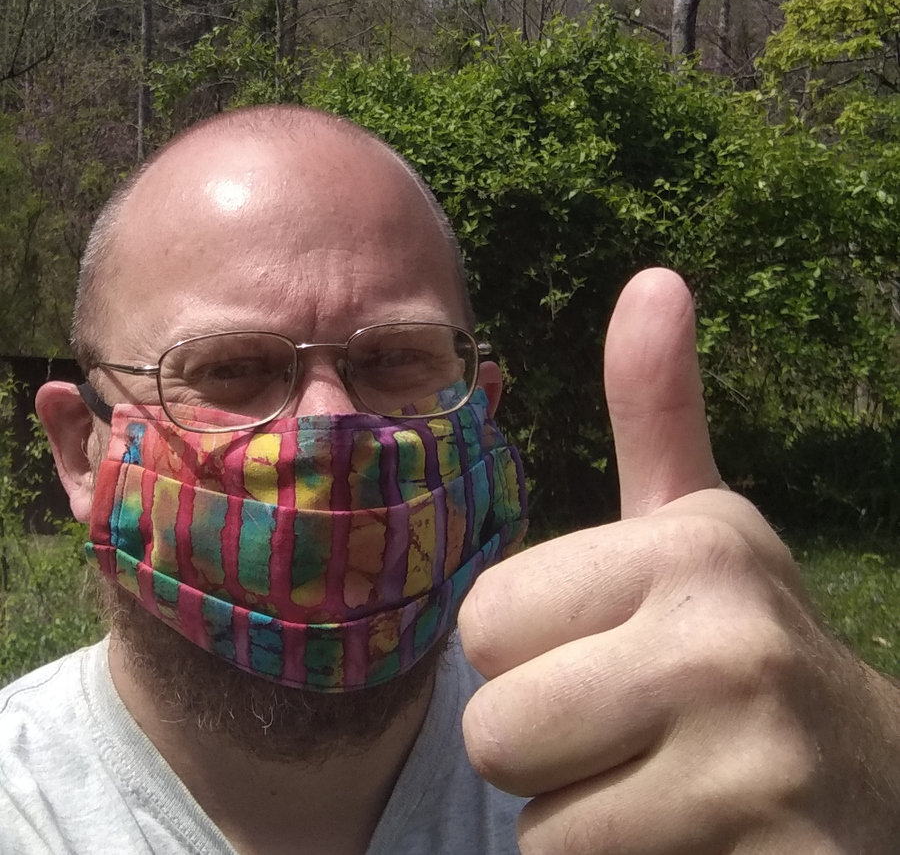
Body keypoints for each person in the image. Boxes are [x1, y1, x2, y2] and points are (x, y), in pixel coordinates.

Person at [1, 105, 898, 855]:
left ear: (484, 410)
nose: (326, 428)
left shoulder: (671, 769)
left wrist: (870, 768)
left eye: (395, 358)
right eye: (231, 369)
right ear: (82, 448)